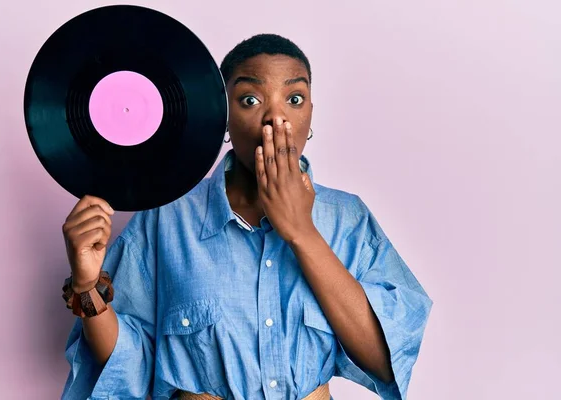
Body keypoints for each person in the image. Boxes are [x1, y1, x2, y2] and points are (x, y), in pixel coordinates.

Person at [60, 33, 432, 400]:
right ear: (222, 114)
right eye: (250, 99)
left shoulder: (347, 220)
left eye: (295, 98)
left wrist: (301, 231)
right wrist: (87, 284)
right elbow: (128, 364)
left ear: (311, 116)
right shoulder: (166, 218)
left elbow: (386, 362)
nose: (275, 117)